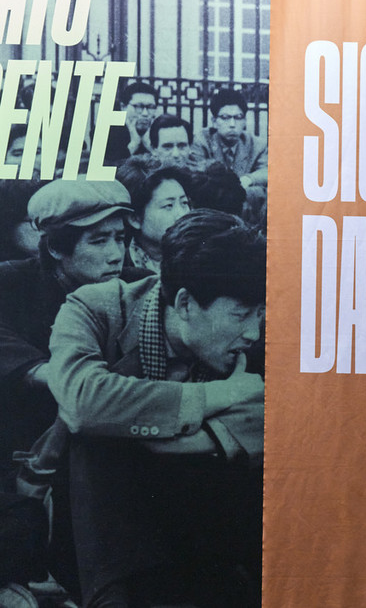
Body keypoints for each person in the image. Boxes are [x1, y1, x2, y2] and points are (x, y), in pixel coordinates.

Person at [42, 209, 265, 607]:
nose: (253, 332)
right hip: (101, 529)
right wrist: (222, 395)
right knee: (94, 440)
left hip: (209, 530)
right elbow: (82, 401)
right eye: (240, 315)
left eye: (260, 315)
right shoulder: (96, 308)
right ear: (184, 303)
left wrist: (198, 436)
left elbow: (287, 414)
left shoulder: (258, 336)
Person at [0, 180, 143, 486]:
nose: (115, 254)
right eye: (99, 241)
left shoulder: (138, 286)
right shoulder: (12, 283)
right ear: (55, 247)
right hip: (27, 460)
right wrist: (50, 373)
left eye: (120, 238)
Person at [116, 157, 193, 273]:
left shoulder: (199, 258)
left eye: (184, 203)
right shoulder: (119, 266)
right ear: (135, 219)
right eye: (168, 205)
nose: (182, 214)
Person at [193, 88, 267, 189]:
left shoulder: (257, 145)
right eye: (225, 117)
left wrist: (248, 179)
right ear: (214, 121)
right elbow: (196, 175)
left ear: (245, 121)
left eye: (238, 117)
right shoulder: (202, 141)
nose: (232, 124)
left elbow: (267, 172)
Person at [104, 82, 159, 166]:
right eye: (138, 106)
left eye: (151, 107)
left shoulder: (160, 132)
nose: (145, 113)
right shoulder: (107, 133)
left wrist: (150, 147)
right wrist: (134, 144)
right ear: (123, 107)